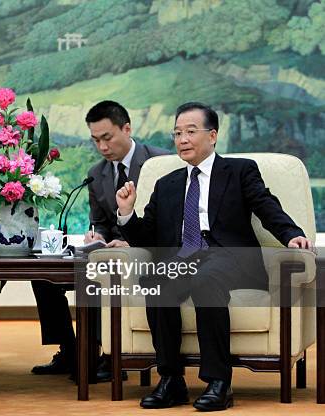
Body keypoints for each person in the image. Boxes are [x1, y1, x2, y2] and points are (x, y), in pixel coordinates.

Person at [116, 102, 314, 411]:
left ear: (213, 135)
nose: (182, 139)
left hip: (228, 257)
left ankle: (219, 382)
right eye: (177, 133)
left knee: (205, 280)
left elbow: (265, 205)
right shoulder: (166, 185)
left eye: (191, 132)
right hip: (183, 259)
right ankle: (171, 381)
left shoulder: (238, 170)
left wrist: (291, 234)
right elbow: (148, 237)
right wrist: (127, 215)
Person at [31, 101, 169, 378]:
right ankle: (72, 351)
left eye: (107, 138)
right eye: (95, 140)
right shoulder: (96, 173)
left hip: (151, 250)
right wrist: (98, 236)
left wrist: (132, 244)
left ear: (127, 128)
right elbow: (102, 223)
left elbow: (171, 222)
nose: (102, 147)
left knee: (101, 270)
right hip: (112, 250)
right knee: (43, 275)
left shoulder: (161, 163)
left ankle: (109, 354)